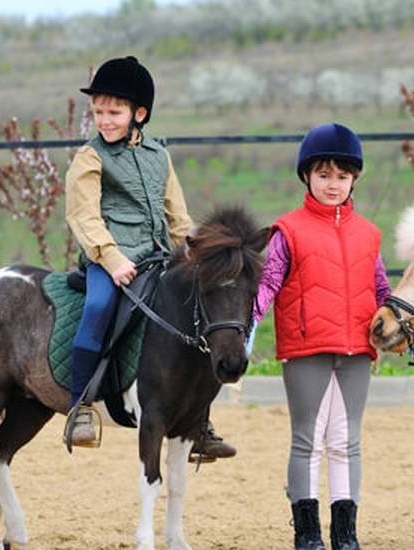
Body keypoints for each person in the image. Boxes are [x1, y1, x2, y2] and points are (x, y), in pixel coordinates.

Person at [64, 55, 236, 462]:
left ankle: (200, 420)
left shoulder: (160, 156)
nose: (104, 120)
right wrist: (110, 258)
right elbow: (82, 214)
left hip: (159, 255)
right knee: (99, 305)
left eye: (114, 111)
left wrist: (198, 254)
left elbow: (177, 215)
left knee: (198, 312)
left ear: (139, 113)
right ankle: (80, 406)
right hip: (112, 258)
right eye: (99, 112)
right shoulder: (90, 158)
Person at [250, 123, 391, 549]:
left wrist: (402, 323)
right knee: (308, 441)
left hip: (356, 351)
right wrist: (248, 331)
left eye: (342, 177)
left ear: (354, 180)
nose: (334, 185)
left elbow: (382, 289)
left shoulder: (369, 233)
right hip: (306, 347)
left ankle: (346, 535)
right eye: (324, 175)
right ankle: (308, 534)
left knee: (347, 442)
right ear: (307, 176)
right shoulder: (287, 231)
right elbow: (268, 284)